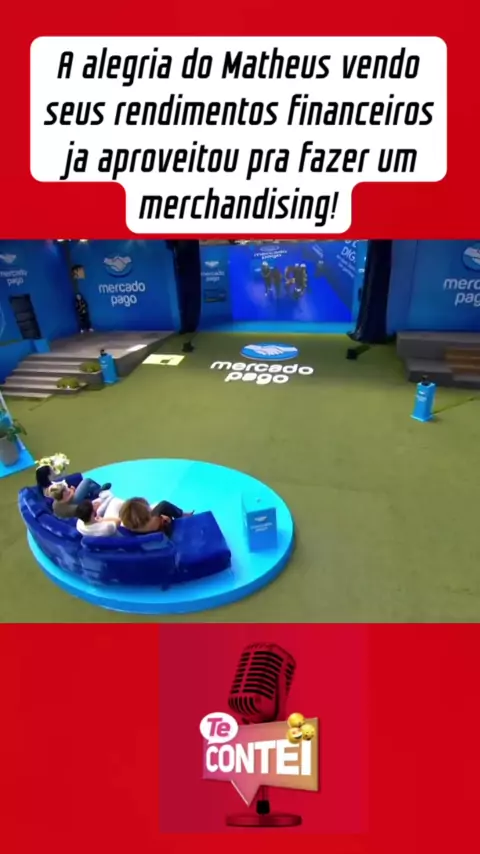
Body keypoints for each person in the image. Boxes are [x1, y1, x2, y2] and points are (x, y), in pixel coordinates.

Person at [119, 497, 192, 536]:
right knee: (163, 506)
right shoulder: (155, 521)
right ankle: (183, 515)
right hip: (166, 533)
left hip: (151, 540)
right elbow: (164, 505)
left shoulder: (130, 530)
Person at [36, 465, 110, 502]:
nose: (54, 472)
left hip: (69, 495)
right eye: (52, 471)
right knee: (87, 481)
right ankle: (100, 490)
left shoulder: (46, 485)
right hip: (72, 501)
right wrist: (72, 491)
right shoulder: (51, 489)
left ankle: (98, 492)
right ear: (48, 476)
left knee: (91, 486)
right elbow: (64, 499)